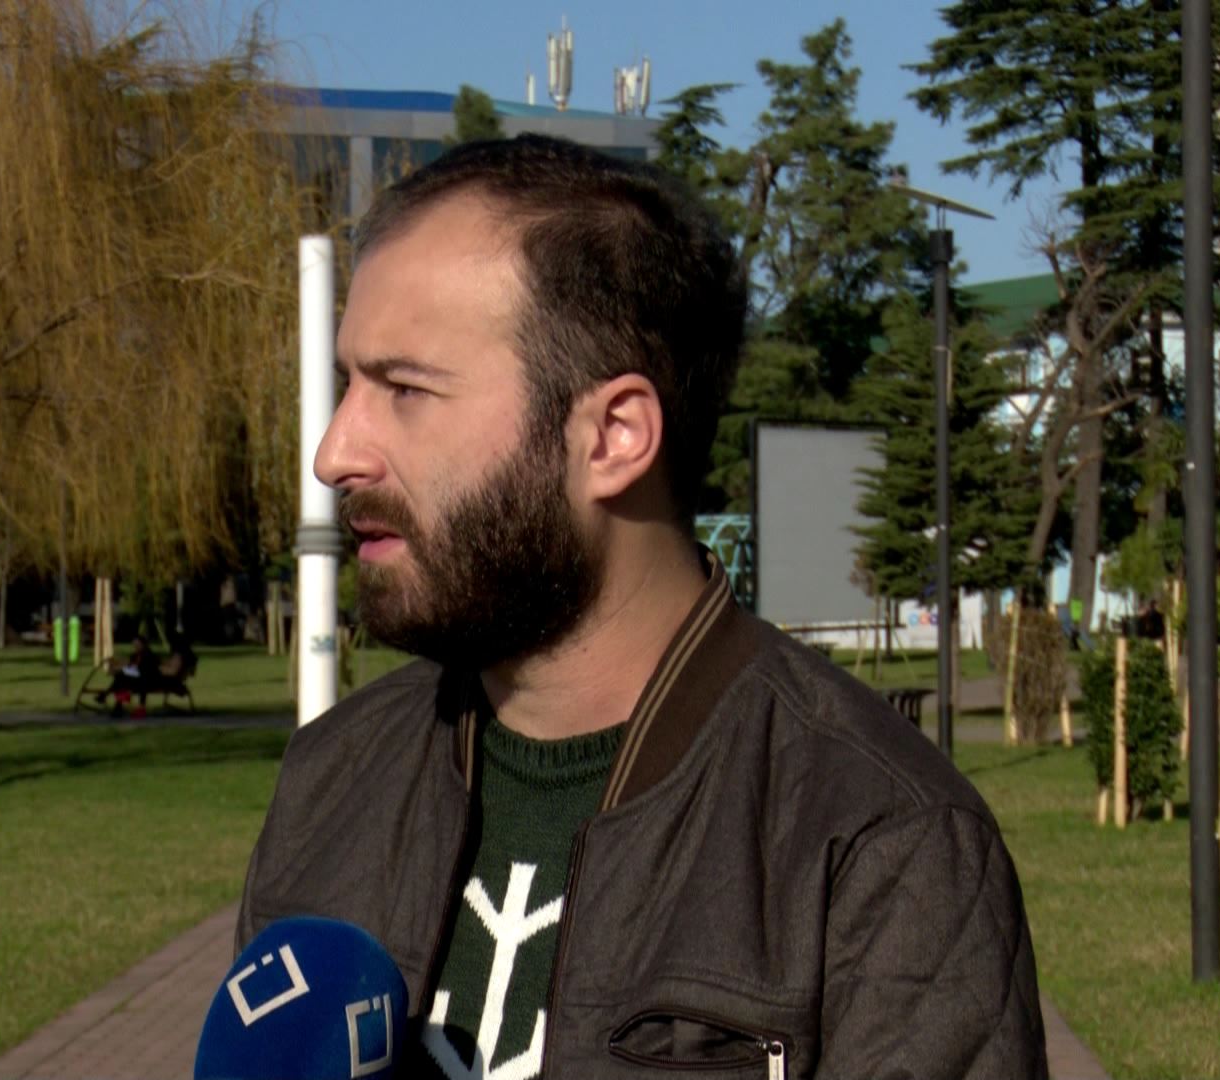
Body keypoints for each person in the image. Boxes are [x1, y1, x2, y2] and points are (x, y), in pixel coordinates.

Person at [237, 136, 1045, 1079]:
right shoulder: (333, 779)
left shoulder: (879, 844)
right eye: (348, 386)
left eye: (405, 389)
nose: (335, 452)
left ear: (614, 435)